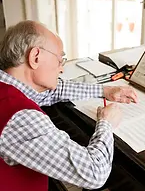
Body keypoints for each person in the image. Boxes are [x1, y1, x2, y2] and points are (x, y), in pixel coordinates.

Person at [0, 20, 137, 191]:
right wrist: (106, 123)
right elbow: (95, 173)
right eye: (60, 60)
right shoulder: (21, 118)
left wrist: (105, 91)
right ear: (35, 57)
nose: (62, 69)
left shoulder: (10, 86)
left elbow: (54, 91)